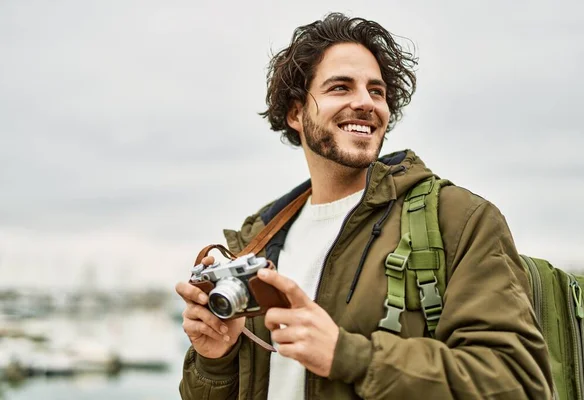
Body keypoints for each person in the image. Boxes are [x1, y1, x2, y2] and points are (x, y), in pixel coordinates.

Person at [175, 13, 553, 400]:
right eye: (340, 87)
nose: (365, 103)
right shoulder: (257, 240)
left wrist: (349, 356)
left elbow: (517, 384)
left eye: (377, 91)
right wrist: (215, 359)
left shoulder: (458, 219)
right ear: (295, 114)